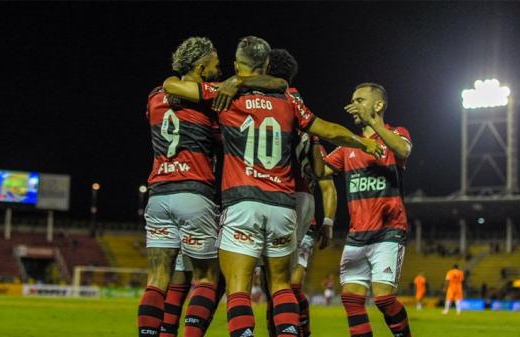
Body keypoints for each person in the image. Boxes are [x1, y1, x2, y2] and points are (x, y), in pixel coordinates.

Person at [163, 36, 383, 337]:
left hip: (242, 201)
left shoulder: (224, 95)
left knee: (237, 288)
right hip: (282, 206)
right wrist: (364, 142)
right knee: (281, 287)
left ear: (237, 64)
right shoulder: (290, 101)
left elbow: (172, 87)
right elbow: (329, 130)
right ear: (266, 65)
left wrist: (235, 83)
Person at [314, 82, 413, 337]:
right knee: (351, 299)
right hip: (357, 234)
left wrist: (374, 123)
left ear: (378, 105)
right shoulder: (350, 145)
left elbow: (403, 149)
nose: (353, 105)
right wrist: (310, 137)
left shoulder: (396, 133)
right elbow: (320, 170)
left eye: (360, 100)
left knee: (384, 300)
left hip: (388, 232)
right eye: (353, 100)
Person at [138, 36, 222, 337]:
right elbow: (221, 137)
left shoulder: (153, 96)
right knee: (207, 278)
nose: (219, 69)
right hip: (194, 191)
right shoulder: (209, 101)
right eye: (214, 65)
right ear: (200, 68)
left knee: (158, 278)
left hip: (159, 194)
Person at [264, 48, 338, 337]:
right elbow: (325, 179)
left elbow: (324, 178)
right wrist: (329, 221)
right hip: (303, 204)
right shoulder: (304, 111)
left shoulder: (271, 105)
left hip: (276, 197)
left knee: (279, 284)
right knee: (288, 285)